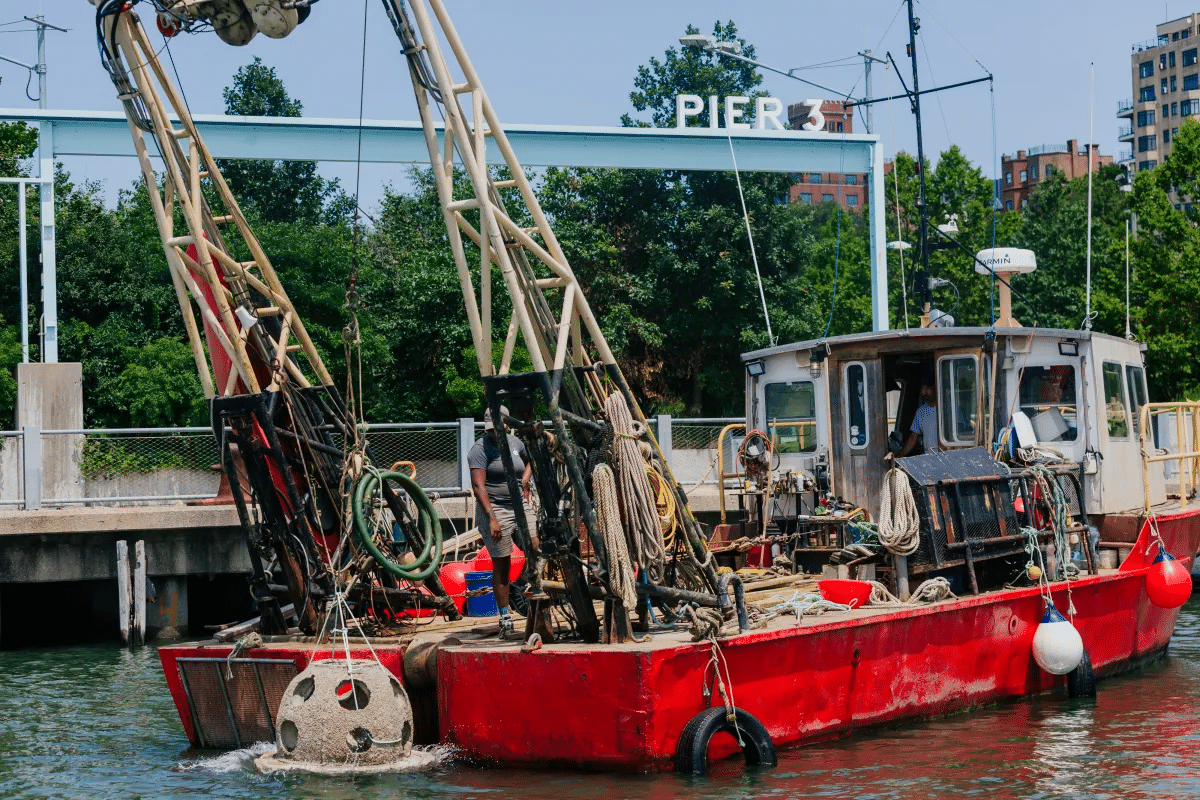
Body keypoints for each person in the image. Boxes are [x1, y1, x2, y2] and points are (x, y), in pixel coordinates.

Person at [468, 406, 537, 636]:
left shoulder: (516, 444)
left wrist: (524, 481)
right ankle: (505, 616)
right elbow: (479, 487)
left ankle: (521, 587)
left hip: (519, 504)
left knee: (536, 547)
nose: (492, 434)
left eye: (496, 429)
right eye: (489, 430)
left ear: (507, 425)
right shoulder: (479, 449)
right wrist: (492, 518)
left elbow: (531, 461)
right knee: (502, 563)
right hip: (495, 508)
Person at [898, 379, 939, 457]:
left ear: (936, 387)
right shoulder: (921, 411)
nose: (923, 392)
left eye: (927, 388)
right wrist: (899, 457)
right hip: (929, 459)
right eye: (922, 389)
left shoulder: (949, 408)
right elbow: (913, 438)